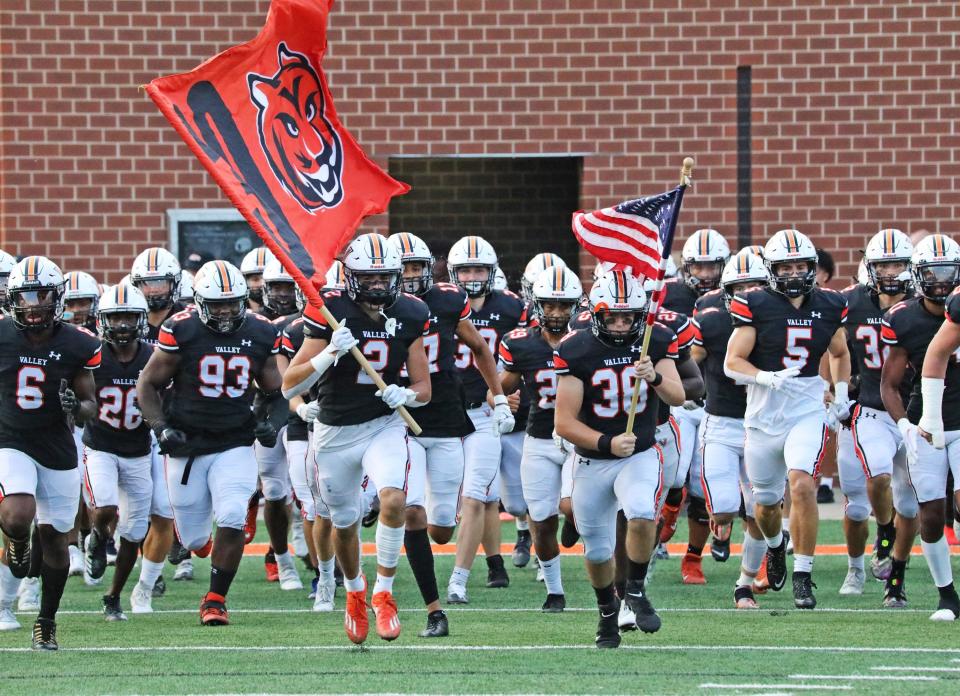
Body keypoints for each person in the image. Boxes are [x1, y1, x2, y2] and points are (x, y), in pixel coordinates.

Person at [282, 233, 432, 644]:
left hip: (383, 424)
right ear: (351, 277)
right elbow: (289, 386)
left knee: (394, 499)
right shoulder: (330, 310)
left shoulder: (412, 312)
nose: (380, 285)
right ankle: (354, 594)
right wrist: (329, 352)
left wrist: (407, 395)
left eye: (386, 277)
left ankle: (383, 593)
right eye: (369, 278)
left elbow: (424, 387)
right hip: (334, 430)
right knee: (343, 524)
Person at [137, 260, 282, 625]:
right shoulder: (181, 329)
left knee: (231, 516)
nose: (224, 311)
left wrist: (270, 422)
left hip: (234, 439)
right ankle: (203, 543)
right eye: (216, 304)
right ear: (199, 302)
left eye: (231, 303)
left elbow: (275, 390)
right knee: (192, 537)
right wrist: (160, 427)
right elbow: (147, 384)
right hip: (187, 443)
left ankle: (215, 599)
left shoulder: (260, 331)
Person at [554, 270, 685, 648]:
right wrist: (607, 442)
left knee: (642, 512)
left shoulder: (654, 340)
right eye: (612, 316)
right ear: (596, 313)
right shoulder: (576, 349)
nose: (621, 323)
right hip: (594, 459)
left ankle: (637, 589)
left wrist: (656, 378)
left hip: (639, 454)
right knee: (596, 551)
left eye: (629, 316)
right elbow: (564, 422)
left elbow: (679, 396)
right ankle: (606, 613)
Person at [387, 232, 508, 636]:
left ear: (429, 268)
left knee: (440, 528)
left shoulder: (446, 300)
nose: (409, 275)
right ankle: (420, 603)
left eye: (416, 267)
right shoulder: (373, 304)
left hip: (441, 413)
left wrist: (499, 395)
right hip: (393, 416)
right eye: (401, 267)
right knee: (409, 510)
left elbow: (479, 347)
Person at [725, 229, 851, 610]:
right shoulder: (754, 304)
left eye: (801, 265)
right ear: (773, 269)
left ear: (813, 267)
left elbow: (840, 352)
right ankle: (776, 546)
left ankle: (803, 576)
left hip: (806, 408)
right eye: (787, 266)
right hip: (764, 412)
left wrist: (841, 393)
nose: (795, 273)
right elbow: (733, 363)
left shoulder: (830, 303)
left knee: (801, 486)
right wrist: (764, 376)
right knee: (764, 503)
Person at [0, 256, 101, 649]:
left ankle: (46, 621)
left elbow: (91, 401)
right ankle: (18, 542)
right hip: (10, 437)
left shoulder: (78, 342)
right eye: (25, 296)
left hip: (57, 446)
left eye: (41, 295)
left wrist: (76, 406)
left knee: (58, 542)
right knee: (17, 512)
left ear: (57, 297)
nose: (33, 304)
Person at [837, 229, 919, 604]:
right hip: (869, 408)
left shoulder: (925, 305)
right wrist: (837, 390)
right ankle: (884, 532)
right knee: (876, 479)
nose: (889, 271)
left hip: (917, 411)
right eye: (883, 263)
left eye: (897, 263)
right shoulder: (850, 303)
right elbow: (830, 347)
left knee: (913, 503)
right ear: (869, 267)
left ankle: (894, 580)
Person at [497, 265, 582, 612]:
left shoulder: (589, 339)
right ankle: (554, 590)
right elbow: (501, 386)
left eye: (564, 306)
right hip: (538, 437)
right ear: (537, 304)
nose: (557, 313)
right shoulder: (522, 344)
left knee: (569, 507)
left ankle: (575, 523)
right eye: (550, 305)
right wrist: (500, 399)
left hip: (578, 438)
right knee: (541, 519)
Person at [885, 234, 960, 620]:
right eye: (933, 272)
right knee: (930, 512)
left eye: (948, 271)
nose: (942, 280)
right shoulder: (904, 318)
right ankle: (946, 594)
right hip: (927, 420)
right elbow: (890, 382)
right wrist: (905, 424)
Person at [691, 251, 771, 608]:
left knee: (757, 510)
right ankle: (720, 527)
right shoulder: (710, 320)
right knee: (724, 507)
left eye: (755, 285)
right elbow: (688, 361)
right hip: (722, 421)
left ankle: (744, 584)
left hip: (763, 423)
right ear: (727, 290)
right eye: (741, 287)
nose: (748, 293)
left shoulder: (780, 319)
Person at [444, 236, 518, 604]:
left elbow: (525, 351)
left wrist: (506, 391)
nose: (472, 277)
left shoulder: (511, 307)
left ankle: (459, 579)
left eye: (479, 270)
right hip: (442, 414)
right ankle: (493, 561)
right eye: (466, 270)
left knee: (477, 495)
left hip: (486, 412)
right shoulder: (440, 304)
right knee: (442, 517)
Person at [660, 228, 731, 586]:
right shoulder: (668, 293)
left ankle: (692, 558)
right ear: (685, 266)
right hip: (679, 397)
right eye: (698, 266)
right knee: (674, 476)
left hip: (716, 401)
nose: (704, 274)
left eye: (711, 266)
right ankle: (671, 508)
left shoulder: (732, 297)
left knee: (703, 491)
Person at [81, 284, 155, 621]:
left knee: (135, 532)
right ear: (102, 320)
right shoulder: (91, 355)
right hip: (101, 447)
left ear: (141, 320)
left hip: (139, 451)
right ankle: (97, 537)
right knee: (105, 507)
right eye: (115, 317)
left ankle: (113, 596)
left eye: (129, 317)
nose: (123, 324)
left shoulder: (155, 355)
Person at [128, 247, 189, 603]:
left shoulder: (186, 319)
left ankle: (167, 557)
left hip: (174, 419)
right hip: (129, 422)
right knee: (135, 511)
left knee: (168, 507)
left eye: (159, 283)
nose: (153, 291)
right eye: (146, 284)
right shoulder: (124, 317)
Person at [240, 247, 275, 315]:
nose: (262, 283)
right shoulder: (237, 313)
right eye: (255, 279)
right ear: (244, 281)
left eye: (266, 280)